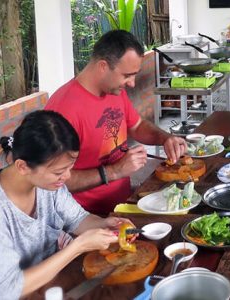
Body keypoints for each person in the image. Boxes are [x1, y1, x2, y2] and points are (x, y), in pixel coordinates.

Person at [45, 30, 186, 215]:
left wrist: (165, 138)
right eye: (127, 75)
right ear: (103, 66)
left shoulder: (113, 91)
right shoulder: (63, 109)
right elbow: (52, 179)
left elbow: (136, 126)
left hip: (123, 205)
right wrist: (114, 172)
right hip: (86, 219)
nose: (132, 83)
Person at [0, 110, 135, 299]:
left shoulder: (47, 185)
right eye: (59, 172)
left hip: (52, 287)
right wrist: (78, 247)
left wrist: (108, 225)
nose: (67, 177)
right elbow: (9, 289)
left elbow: (78, 219)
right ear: (23, 166)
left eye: (70, 168)